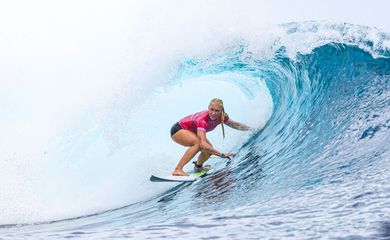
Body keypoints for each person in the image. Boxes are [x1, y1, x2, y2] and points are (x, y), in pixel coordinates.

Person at [170, 98, 253, 176]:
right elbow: (203, 144)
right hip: (178, 129)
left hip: (191, 131)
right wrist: (222, 155)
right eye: (211, 109)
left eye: (217, 111)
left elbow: (235, 124)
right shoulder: (202, 120)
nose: (213, 113)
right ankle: (178, 169)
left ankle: (198, 167)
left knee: (209, 149)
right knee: (199, 144)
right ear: (208, 108)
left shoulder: (223, 116)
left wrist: (251, 128)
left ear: (221, 111)